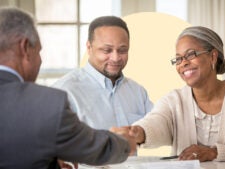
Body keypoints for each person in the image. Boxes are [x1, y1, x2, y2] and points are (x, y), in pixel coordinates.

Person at [110, 26, 225, 169]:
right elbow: (156, 122)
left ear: (213, 57)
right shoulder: (174, 101)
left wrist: (214, 153)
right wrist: (136, 133)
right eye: (178, 59)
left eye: (190, 54)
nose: (183, 63)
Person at [0, 7, 136, 169]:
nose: (40, 61)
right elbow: (92, 146)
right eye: (39, 51)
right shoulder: (47, 102)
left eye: (122, 50)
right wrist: (125, 143)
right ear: (25, 47)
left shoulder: (136, 90)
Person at [52, 16, 153, 130]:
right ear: (89, 47)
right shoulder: (64, 93)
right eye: (106, 50)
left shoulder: (138, 92)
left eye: (122, 50)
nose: (115, 58)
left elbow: (157, 128)